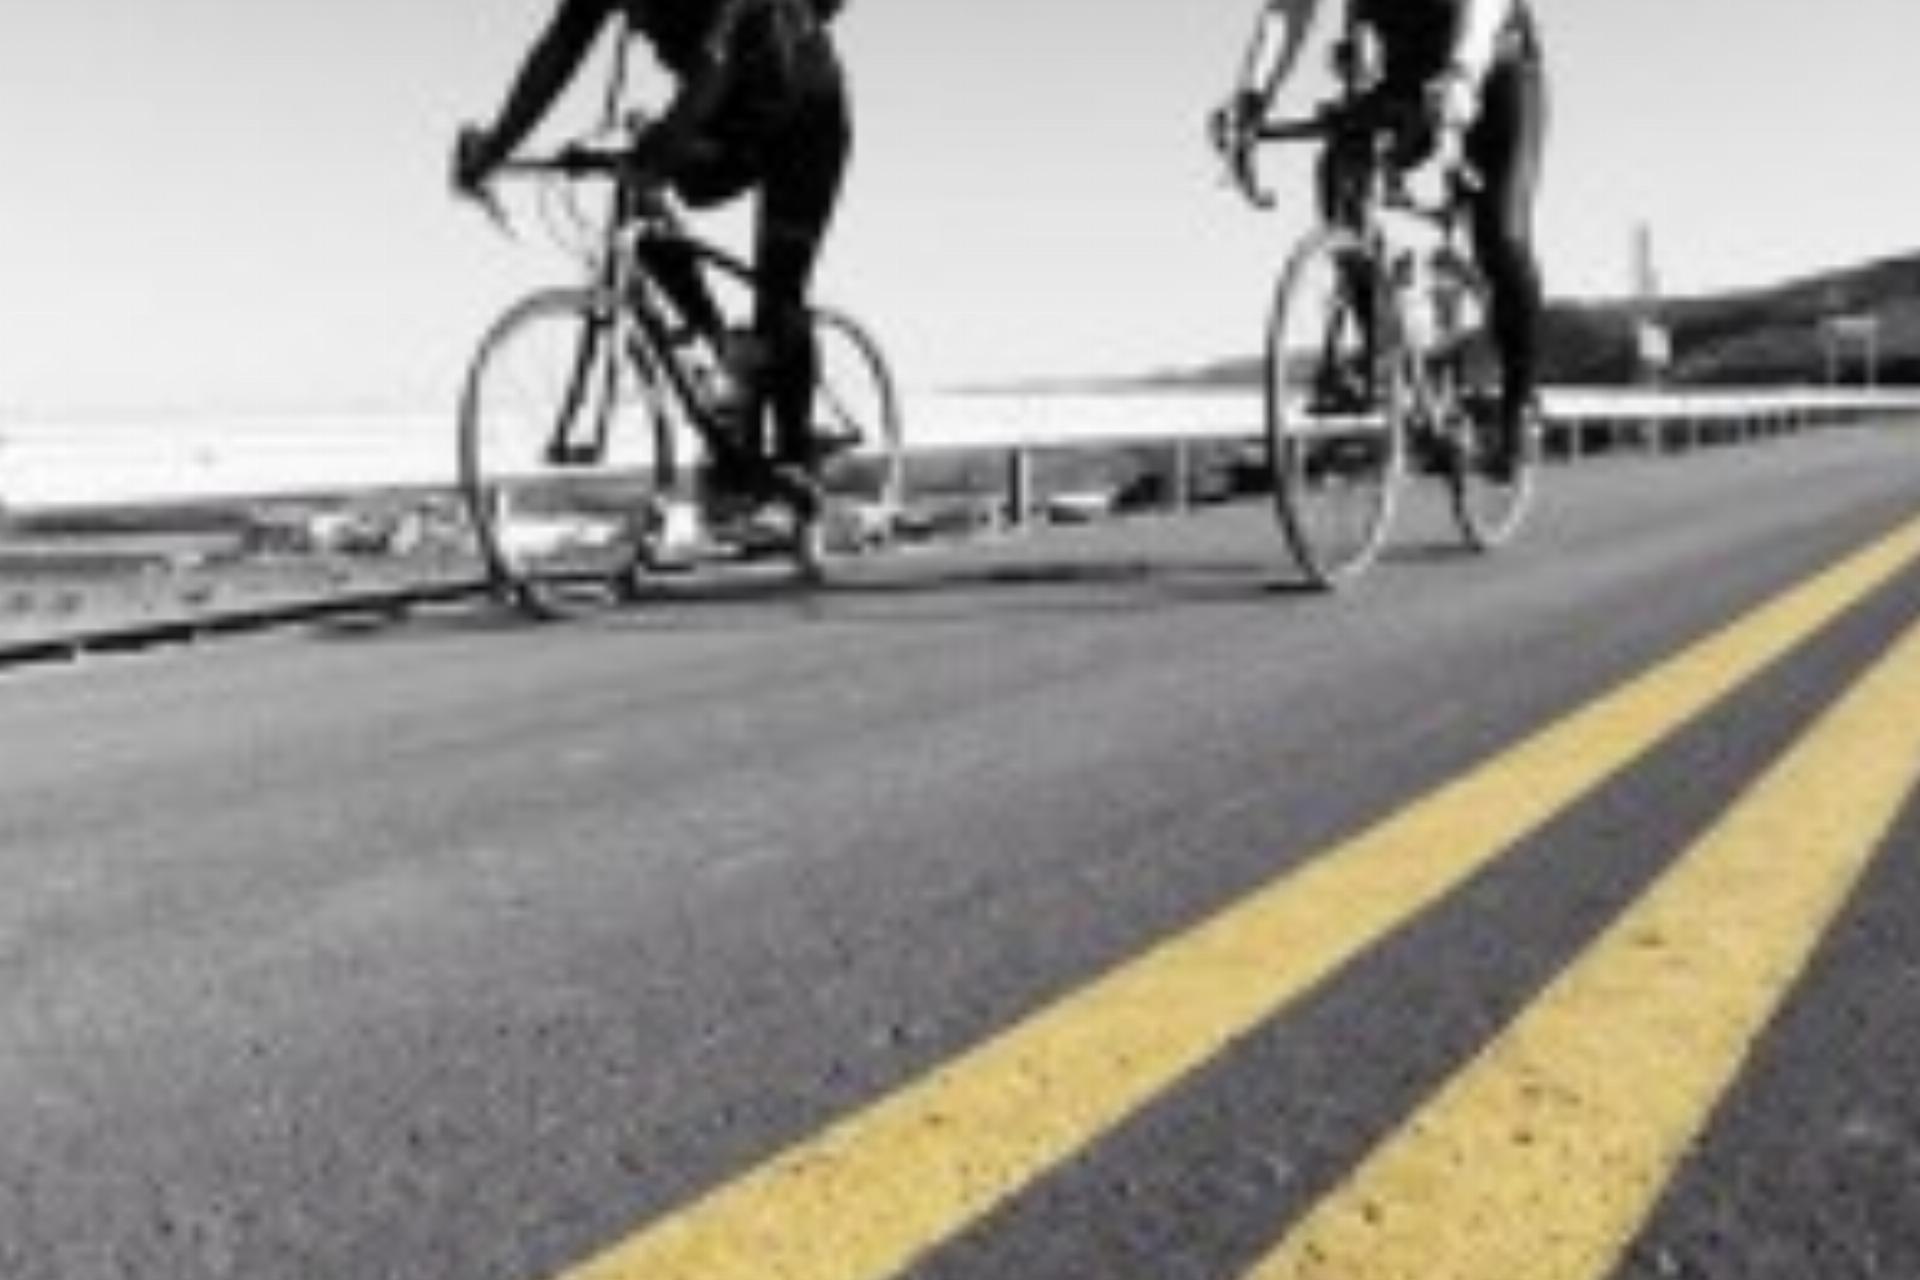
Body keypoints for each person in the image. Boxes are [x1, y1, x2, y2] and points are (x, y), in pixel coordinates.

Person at [454, 0, 852, 512]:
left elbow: (715, 57)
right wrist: (495, 149)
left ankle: (797, 466)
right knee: (643, 199)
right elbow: (557, 53)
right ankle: (723, 353)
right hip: (731, 112)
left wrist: (665, 143)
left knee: (779, 290)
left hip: (805, 114)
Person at [1225, 0, 1547, 475]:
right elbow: (1287, 11)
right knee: (1340, 170)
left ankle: (1520, 403)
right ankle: (1382, 355)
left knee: (1500, 234)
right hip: (1410, 80)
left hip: (1500, 65)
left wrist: (1462, 73)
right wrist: (1251, 101)